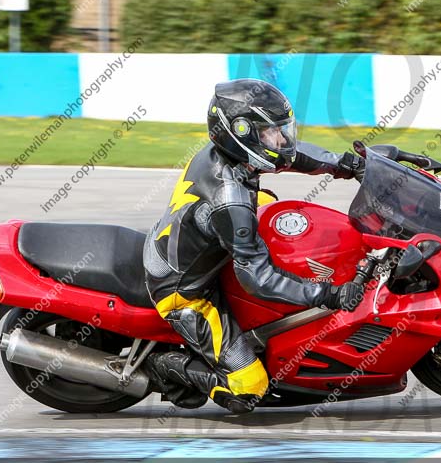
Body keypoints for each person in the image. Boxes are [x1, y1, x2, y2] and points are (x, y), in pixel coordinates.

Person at [143, 79, 366, 414]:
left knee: (273, 209)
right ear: (241, 133)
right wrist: (327, 294)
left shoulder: (230, 155)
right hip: (183, 290)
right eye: (270, 132)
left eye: (281, 129)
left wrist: (348, 164)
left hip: (195, 242)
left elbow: (293, 155)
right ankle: (167, 366)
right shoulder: (228, 198)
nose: (281, 139)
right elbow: (258, 279)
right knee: (248, 390)